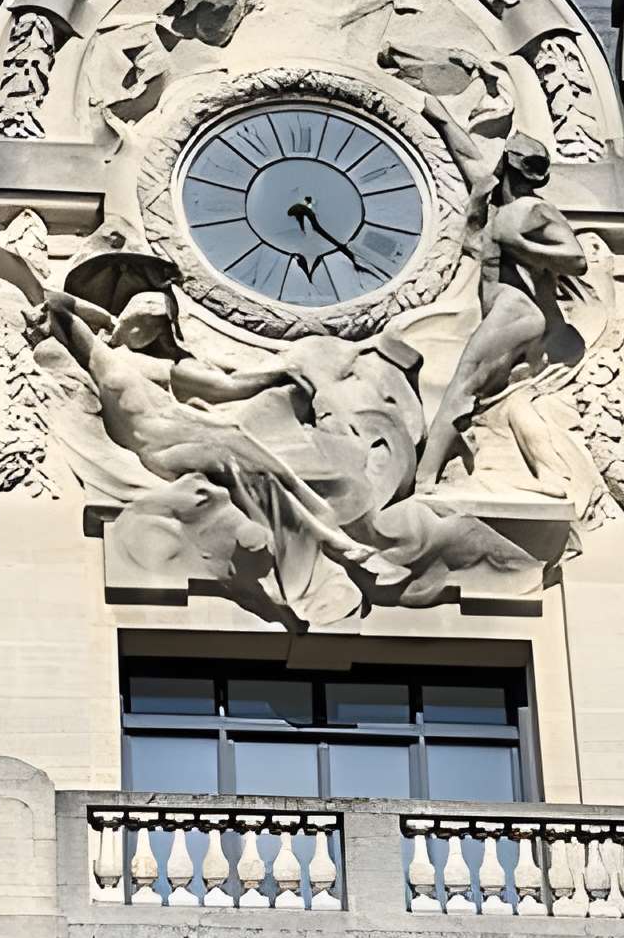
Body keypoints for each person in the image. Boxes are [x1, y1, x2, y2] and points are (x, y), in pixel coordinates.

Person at [41, 287, 408, 586]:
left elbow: (225, 385)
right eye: (143, 317)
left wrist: (275, 375)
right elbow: (57, 303)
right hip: (157, 448)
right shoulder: (98, 356)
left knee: (236, 441)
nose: (146, 328)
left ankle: (323, 526)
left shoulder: (150, 366)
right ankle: (327, 533)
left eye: (156, 323)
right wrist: (90, 314)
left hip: (184, 426)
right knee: (229, 448)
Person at [416, 101, 590, 489]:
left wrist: (520, 246)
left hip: (516, 311)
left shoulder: (533, 210)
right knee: (487, 396)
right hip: (507, 312)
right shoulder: (502, 204)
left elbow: (576, 260)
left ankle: (424, 480)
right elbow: (470, 161)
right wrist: (440, 116)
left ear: (510, 164)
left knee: (462, 385)